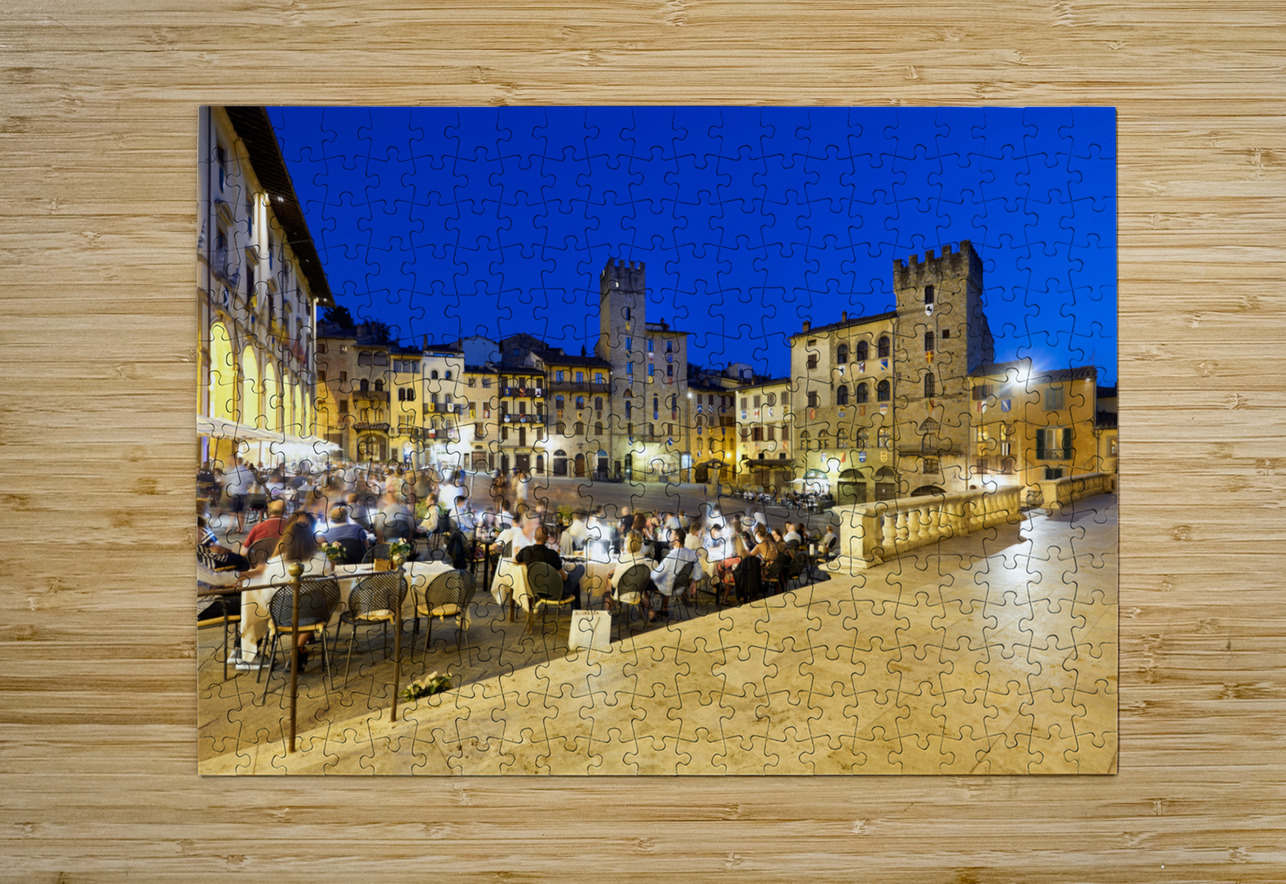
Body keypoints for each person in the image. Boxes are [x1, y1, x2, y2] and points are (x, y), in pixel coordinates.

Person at [236, 513, 330, 670]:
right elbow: (328, 590)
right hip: (314, 615)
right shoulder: (322, 559)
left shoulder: (273, 564)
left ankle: (296, 648)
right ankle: (298, 649)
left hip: (281, 617)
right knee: (318, 606)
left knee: (293, 605)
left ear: (286, 538)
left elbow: (268, 598)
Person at [516, 525, 583, 608]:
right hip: (557, 593)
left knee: (576, 585)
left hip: (538, 592)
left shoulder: (526, 551)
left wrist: (527, 562)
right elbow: (564, 578)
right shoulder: (552, 554)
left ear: (534, 537)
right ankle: (576, 613)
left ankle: (577, 613)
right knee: (580, 568)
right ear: (547, 539)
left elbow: (514, 561)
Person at [649, 529, 699, 619]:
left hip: (669, 587)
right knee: (668, 577)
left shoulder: (671, 557)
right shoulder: (692, 554)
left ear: (676, 539)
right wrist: (693, 582)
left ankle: (651, 611)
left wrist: (647, 575)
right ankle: (664, 609)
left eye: (671, 535)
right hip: (680, 587)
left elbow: (656, 575)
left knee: (644, 584)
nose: (669, 537)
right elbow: (699, 570)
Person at [607, 530, 657, 611]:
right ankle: (650, 610)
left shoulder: (622, 560)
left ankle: (607, 612)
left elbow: (615, 583)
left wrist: (612, 576)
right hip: (638, 592)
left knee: (608, 581)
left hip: (623, 593)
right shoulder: (642, 560)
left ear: (627, 543)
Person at [220, 454, 257, 534]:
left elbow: (227, 480)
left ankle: (229, 529)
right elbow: (251, 481)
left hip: (236, 493)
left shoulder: (235, 470)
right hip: (243, 493)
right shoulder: (246, 470)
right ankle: (240, 529)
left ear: (235, 460)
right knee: (241, 512)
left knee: (233, 512)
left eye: (231, 460)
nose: (229, 461)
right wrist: (247, 488)